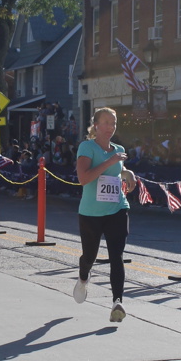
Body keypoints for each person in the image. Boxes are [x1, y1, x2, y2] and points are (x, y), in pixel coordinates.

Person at [73, 107, 135, 324]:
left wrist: (128, 174)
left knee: (116, 256)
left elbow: (117, 171)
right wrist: (110, 161)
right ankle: (83, 277)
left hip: (117, 208)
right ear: (96, 125)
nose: (110, 127)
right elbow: (83, 178)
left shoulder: (119, 150)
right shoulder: (87, 147)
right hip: (91, 212)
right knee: (89, 257)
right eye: (106, 122)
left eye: (114, 123)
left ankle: (117, 302)